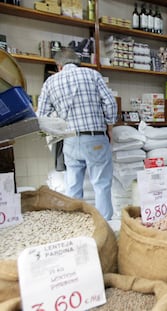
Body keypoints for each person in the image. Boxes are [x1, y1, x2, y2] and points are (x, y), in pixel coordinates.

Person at [37, 48, 117, 220]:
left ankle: (76, 223)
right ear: (77, 62)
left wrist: (57, 131)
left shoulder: (50, 82)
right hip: (94, 136)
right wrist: (109, 127)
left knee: (73, 185)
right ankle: (105, 226)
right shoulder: (92, 74)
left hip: (70, 140)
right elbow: (110, 103)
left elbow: (41, 117)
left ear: (59, 66)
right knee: (101, 184)